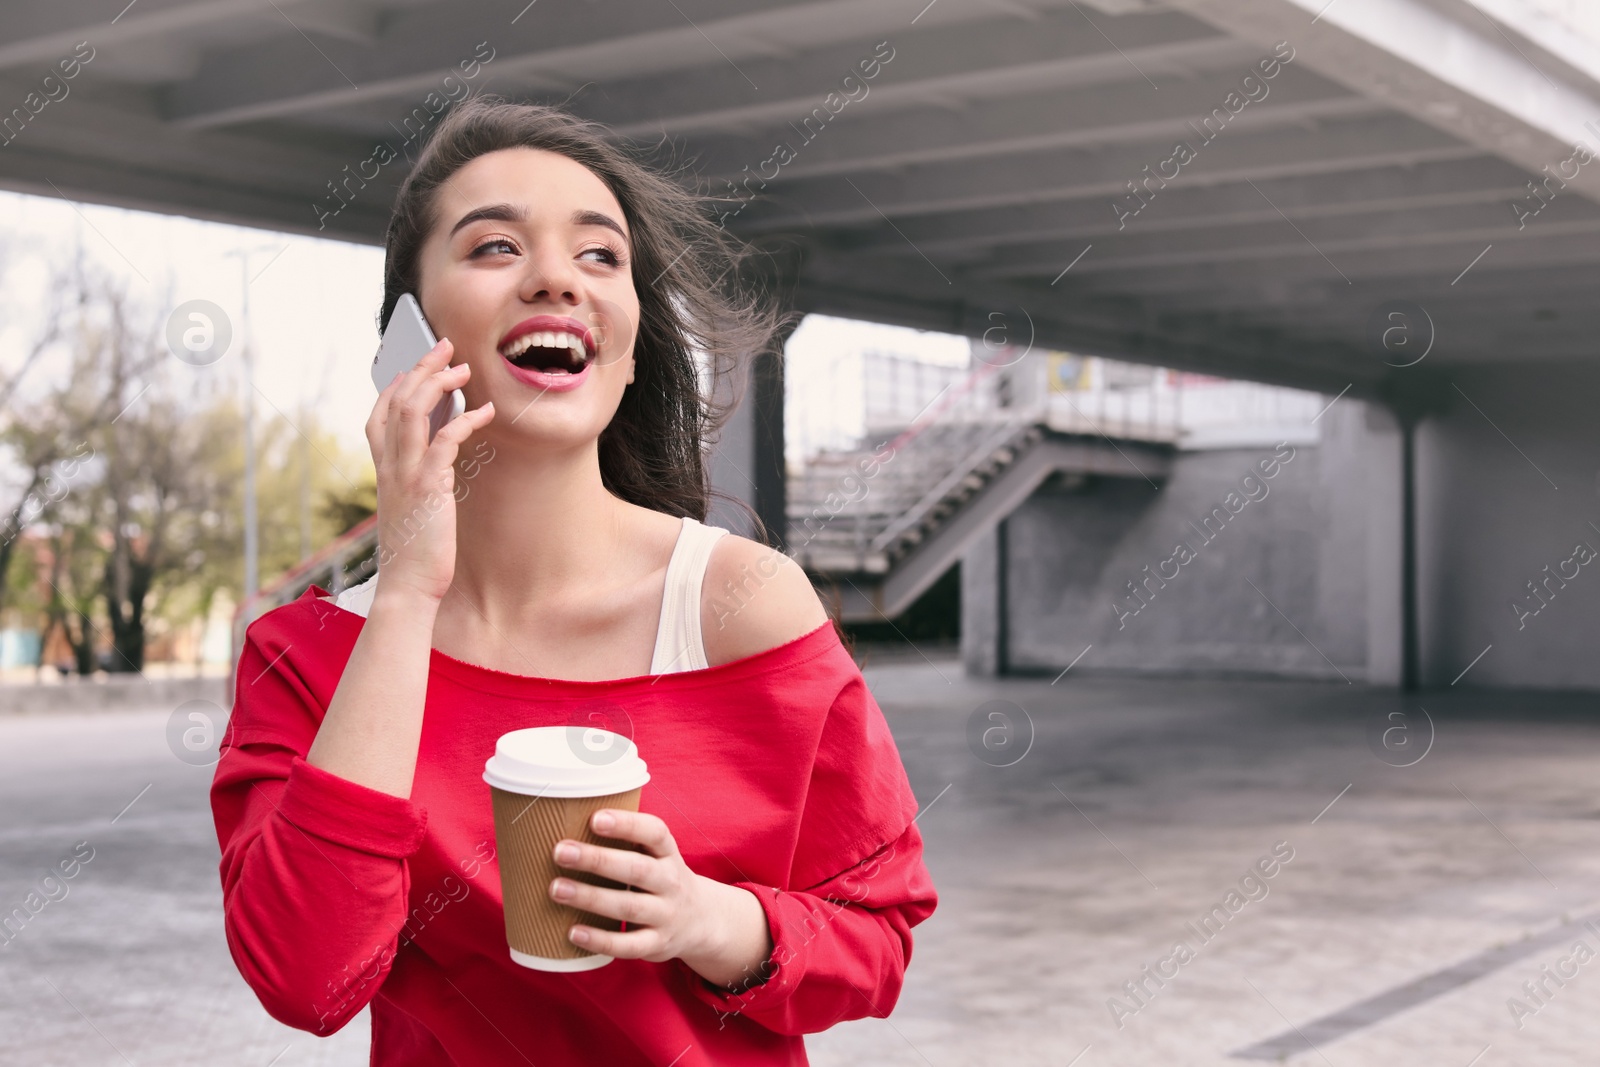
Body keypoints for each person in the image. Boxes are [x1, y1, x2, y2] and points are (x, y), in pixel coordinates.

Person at [210, 96, 937, 1065]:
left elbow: (877, 935)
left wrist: (709, 920)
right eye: (494, 247)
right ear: (410, 337)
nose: (557, 277)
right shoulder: (306, 658)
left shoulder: (742, 608)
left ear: (631, 348)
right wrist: (404, 596)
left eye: (600, 255)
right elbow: (307, 978)